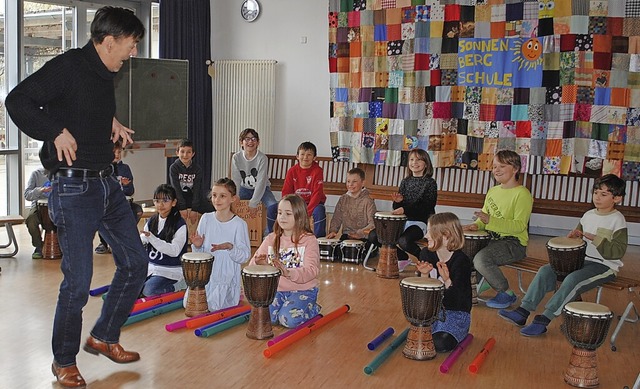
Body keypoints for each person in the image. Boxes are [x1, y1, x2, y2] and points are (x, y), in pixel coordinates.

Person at [5, 6, 148, 387]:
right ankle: (63, 360)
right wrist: (54, 131)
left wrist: (110, 122)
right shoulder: (69, 66)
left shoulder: (105, 71)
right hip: (73, 188)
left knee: (136, 263)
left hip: (107, 184)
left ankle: (104, 336)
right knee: (78, 281)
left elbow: (85, 105)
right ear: (109, 41)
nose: (133, 52)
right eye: (131, 45)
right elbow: (16, 101)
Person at [499, 174, 628, 336]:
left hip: (605, 266)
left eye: (604, 194)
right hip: (582, 261)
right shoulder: (589, 215)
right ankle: (523, 311)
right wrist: (573, 238)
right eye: (595, 192)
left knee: (573, 279)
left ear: (617, 199)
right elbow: (578, 241)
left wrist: (595, 238)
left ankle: (544, 319)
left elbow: (618, 251)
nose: (597, 197)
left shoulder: (617, 220)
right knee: (546, 270)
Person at [462, 149, 533, 309]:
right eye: (494, 166)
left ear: (515, 169)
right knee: (464, 250)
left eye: (502, 166)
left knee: (481, 259)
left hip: (514, 243)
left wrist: (490, 220)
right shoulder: (493, 191)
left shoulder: (522, 194)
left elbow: (519, 226)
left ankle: (506, 292)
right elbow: (484, 218)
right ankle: (479, 282)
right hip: (492, 239)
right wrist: (476, 225)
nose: (496, 170)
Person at [250, 194, 321, 328]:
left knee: (288, 320)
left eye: (288, 214)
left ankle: (312, 309)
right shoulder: (271, 239)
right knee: (264, 317)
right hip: (276, 290)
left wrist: (288, 272)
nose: (282, 217)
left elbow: (312, 270)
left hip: (303, 290)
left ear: (299, 216)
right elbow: (252, 265)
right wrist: (261, 265)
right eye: (280, 213)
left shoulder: (309, 240)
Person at [188, 178, 251, 311]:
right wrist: (198, 245)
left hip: (225, 274)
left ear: (233, 199)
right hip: (206, 273)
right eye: (214, 195)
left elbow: (244, 256)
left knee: (214, 307)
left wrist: (230, 247)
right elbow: (199, 254)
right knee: (192, 305)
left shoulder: (239, 224)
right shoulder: (206, 218)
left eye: (222, 196)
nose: (217, 200)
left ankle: (235, 292)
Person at [369, 149, 437, 271]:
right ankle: (402, 257)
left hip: (420, 222)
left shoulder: (430, 183)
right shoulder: (405, 181)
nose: (414, 162)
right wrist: (398, 201)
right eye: (411, 159)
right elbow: (396, 208)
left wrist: (404, 209)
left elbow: (426, 207)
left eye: (418, 159)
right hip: (402, 222)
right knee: (374, 235)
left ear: (426, 164)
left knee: (404, 241)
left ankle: (428, 262)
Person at [416, 212, 472, 353]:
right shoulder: (426, 254)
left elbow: (459, 302)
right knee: (418, 337)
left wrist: (447, 281)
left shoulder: (461, 261)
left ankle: (454, 333)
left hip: (455, 313)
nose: (426, 236)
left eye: (430, 232)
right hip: (432, 311)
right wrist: (424, 274)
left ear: (446, 235)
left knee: (440, 343)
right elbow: (422, 297)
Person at [267, 141, 327, 237]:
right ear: (297, 156)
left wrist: (306, 212)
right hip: (295, 203)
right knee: (271, 209)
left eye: (309, 155)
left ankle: (319, 241)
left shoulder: (317, 171)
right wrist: (288, 207)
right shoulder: (292, 171)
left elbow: (317, 194)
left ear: (314, 158)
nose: (305, 157)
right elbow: (286, 191)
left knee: (319, 211)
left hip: (312, 203)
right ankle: (274, 237)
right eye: (302, 154)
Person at [140, 184, 188, 296]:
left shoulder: (180, 224)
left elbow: (174, 251)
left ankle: (179, 285)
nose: (160, 205)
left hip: (170, 270)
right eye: (157, 200)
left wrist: (151, 238)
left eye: (165, 200)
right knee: (132, 286)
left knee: (149, 291)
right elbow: (145, 239)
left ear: (174, 202)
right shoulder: (152, 220)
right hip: (151, 267)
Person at [96, 140, 142, 254]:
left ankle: (122, 239)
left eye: (119, 151)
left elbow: (130, 192)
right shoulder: (102, 169)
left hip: (122, 202)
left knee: (137, 211)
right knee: (101, 213)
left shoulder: (125, 168)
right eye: (114, 152)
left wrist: (126, 186)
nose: (117, 154)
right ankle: (105, 242)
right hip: (107, 203)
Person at [231, 128, 278, 231]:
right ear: (241, 142)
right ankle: (234, 232)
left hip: (263, 189)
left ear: (258, 142)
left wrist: (253, 202)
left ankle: (269, 233)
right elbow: (236, 179)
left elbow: (261, 182)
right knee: (230, 203)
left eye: (253, 139)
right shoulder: (236, 157)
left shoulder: (262, 158)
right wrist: (236, 195)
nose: (250, 142)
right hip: (244, 188)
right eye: (247, 139)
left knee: (273, 206)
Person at [326, 167, 377, 255]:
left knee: (361, 254)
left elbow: (373, 223)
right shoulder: (343, 199)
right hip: (347, 235)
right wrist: (333, 231)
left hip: (363, 237)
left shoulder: (368, 201)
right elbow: (337, 217)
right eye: (348, 181)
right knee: (337, 252)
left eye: (354, 181)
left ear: (363, 183)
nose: (350, 184)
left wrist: (359, 233)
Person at [169, 139, 213, 240]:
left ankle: (209, 237)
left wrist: (195, 209)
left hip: (194, 198)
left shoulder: (197, 169)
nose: (185, 155)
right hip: (178, 199)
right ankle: (172, 238)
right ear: (177, 153)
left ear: (193, 154)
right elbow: (176, 189)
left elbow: (197, 190)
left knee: (213, 210)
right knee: (168, 211)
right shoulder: (174, 168)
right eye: (182, 151)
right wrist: (182, 208)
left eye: (188, 152)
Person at [24, 167, 51, 259]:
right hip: (38, 205)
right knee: (31, 220)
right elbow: (27, 194)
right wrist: (40, 190)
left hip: (58, 204)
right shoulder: (36, 174)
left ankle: (64, 246)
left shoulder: (62, 172)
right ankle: (38, 246)